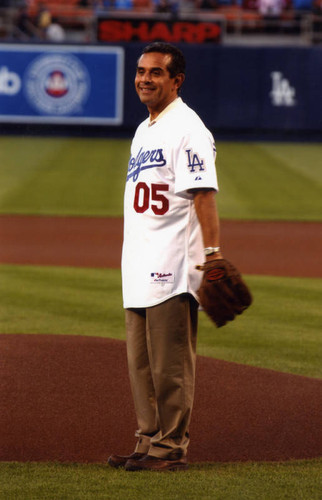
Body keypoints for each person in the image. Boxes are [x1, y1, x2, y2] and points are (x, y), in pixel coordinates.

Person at [108, 42, 222, 472]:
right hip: (137, 261)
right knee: (140, 363)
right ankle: (147, 440)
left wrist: (212, 254)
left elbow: (204, 195)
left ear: (176, 80)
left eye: (155, 72)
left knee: (169, 364)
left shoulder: (188, 128)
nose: (144, 79)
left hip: (171, 265)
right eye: (140, 71)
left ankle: (170, 449)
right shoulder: (145, 128)